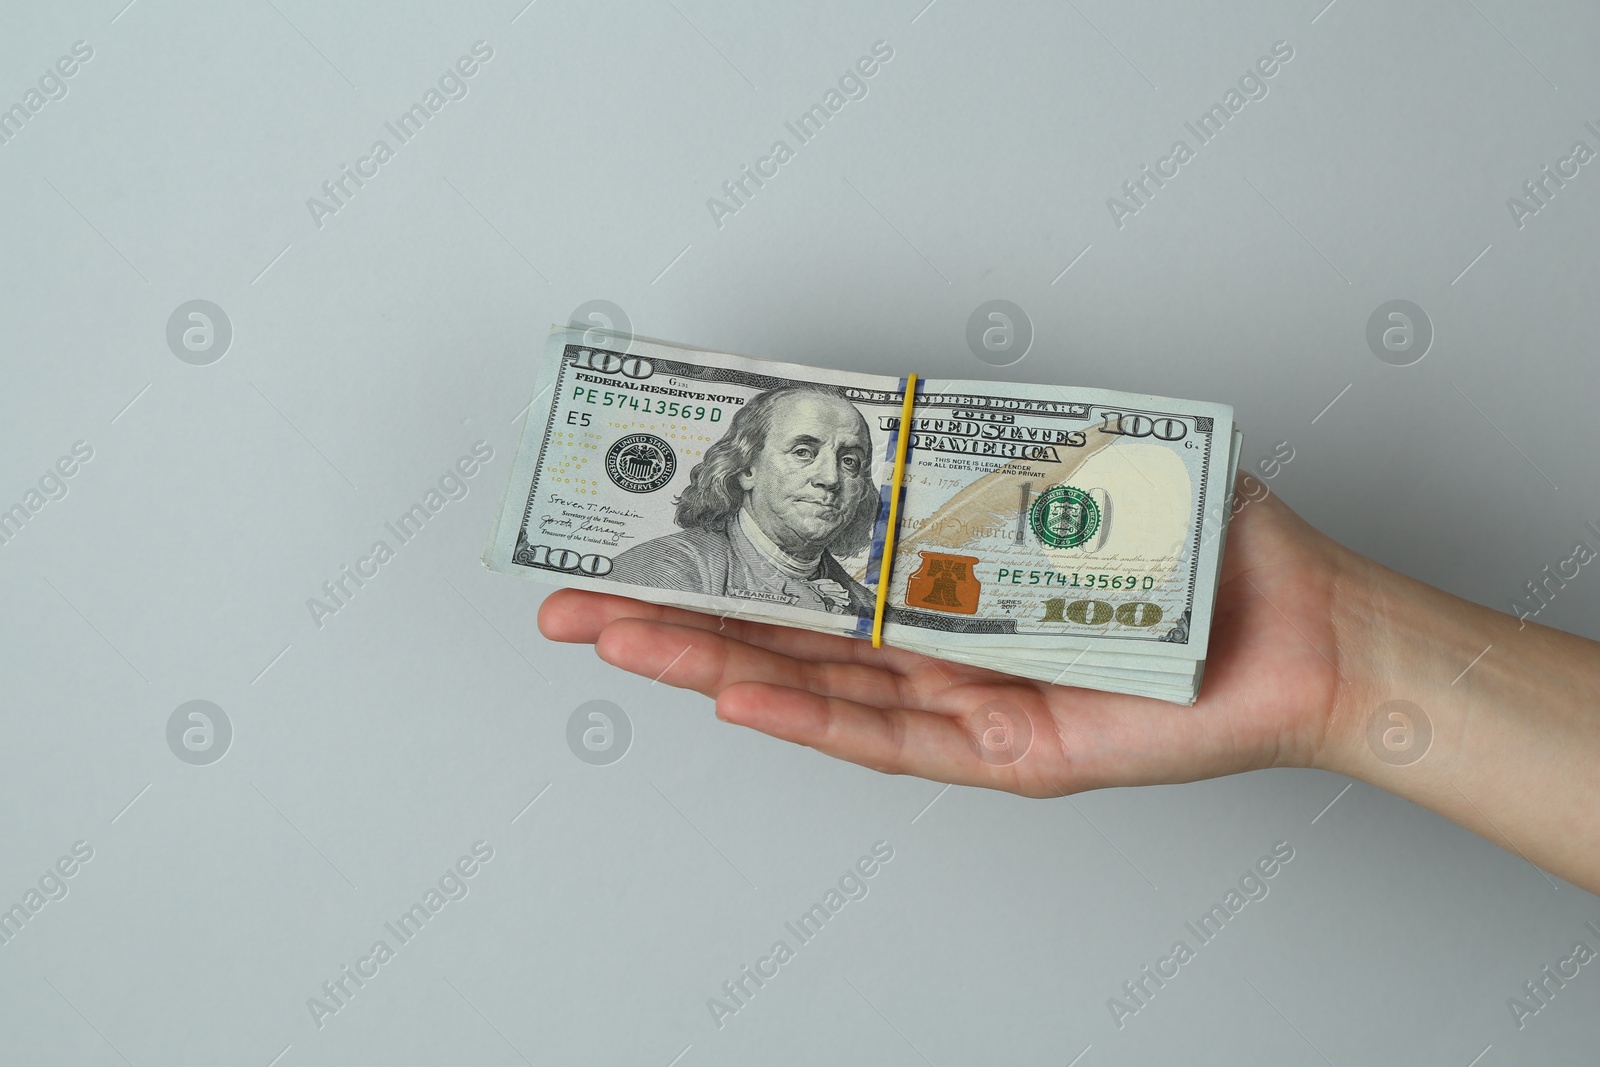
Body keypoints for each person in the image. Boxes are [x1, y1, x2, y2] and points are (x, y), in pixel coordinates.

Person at [541, 473, 1600, 895]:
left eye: (847, 452)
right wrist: (1351, 664)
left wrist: (1348, 658)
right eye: (802, 448)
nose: (828, 474)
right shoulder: (688, 562)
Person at [608, 386, 880, 616]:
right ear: (747, 468)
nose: (830, 478)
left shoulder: (868, 606)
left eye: (849, 461)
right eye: (802, 452)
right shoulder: (662, 570)